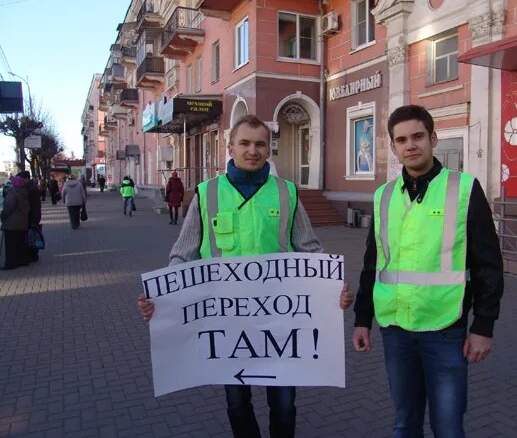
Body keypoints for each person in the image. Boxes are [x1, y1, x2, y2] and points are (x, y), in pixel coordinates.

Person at [137, 115, 354, 438]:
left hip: (281, 321)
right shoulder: (206, 194)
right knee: (237, 403)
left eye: (260, 144)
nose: (252, 150)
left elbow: (310, 249)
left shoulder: (287, 193)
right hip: (228, 324)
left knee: (284, 404)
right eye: (245, 143)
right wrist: (161, 300)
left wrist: (333, 287)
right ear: (230, 147)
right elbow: (183, 256)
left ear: (269, 149)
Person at [352, 105, 504, 438]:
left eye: (418, 136)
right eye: (401, 139)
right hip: (395, 327)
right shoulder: (383, 195)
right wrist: (362, 319)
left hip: (445, 327)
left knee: (448, 428)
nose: (411, 145)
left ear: (433, 138)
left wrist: (483, 326)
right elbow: (372, 262)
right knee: (405, 423)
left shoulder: (463, 188)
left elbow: (488, 264)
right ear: (393, 147)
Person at [1, 174, 30, 269]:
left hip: (12, 223)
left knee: (11, 245)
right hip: (22, 222)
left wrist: (2, 215)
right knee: (20, 243)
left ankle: (11, 264)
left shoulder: (13, 193)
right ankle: (22, 261)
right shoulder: (25, 192)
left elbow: (8, 208)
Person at [17, 171, 42, 263]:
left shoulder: (30, 189)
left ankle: (33, 255)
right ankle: (33, 255)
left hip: (32, 215)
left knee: (32, 236)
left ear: (26, 178)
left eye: (21, 179)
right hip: (34, 215)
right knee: (32, 235)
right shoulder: (31, 186)